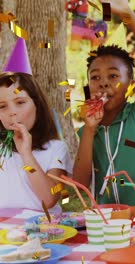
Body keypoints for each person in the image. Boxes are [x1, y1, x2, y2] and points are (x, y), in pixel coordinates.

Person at [73, 0, 135, 206]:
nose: (103, 83)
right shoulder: (88, 131)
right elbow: (80, 184)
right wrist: (89, 130)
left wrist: (128, 15)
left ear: (131, 85)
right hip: (107, 222)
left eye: (113, 76)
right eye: (95, 78)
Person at [0, 53, 72, 212]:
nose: (12, 112)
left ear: (37, 106)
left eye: (20, 102)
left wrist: (26, 154)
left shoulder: (56, 149)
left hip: (41, 232)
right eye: (2, 106)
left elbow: (49, 199)